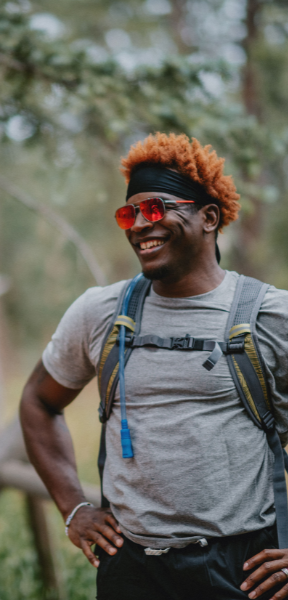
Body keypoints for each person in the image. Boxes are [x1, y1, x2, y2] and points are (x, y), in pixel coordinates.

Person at [20, 132, 288, 600]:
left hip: (242, 569)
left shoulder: (269, 316)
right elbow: (38, 403)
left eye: (157, 209)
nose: (140, 225)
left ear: (208, 217)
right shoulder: (99, 312)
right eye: (130, 213)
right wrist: (73, 508)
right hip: (130, 569)